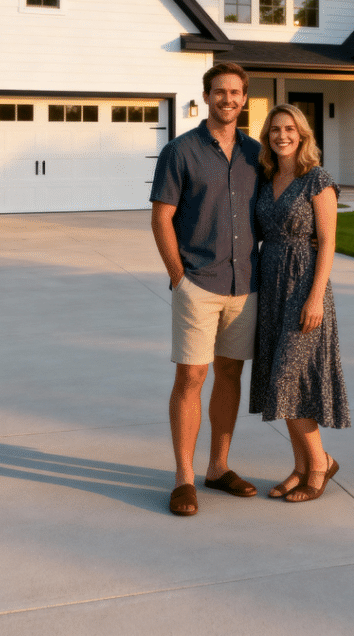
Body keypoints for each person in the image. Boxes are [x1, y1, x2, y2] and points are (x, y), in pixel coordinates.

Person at [150, 62, 263, 517]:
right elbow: (161, 217)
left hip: (244, 286)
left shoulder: (258, 154)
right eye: (220, 92)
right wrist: (179, 277)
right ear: (207, 95)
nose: (228, 99)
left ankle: (218, 468)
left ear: (244, 98)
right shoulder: (180, 152)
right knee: (190, 378)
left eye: (236, 93)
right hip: (198, 283)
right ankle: (184, 479)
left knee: (230, 374)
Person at [249, 103, 350, 502]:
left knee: (289, 378)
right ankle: (303, 465)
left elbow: (327, 243)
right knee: (281, 382)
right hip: (271, 286)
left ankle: (320, 466)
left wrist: (315, 299)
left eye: (289, 128)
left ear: (303, 134)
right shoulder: (267, 177)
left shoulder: (317, 180)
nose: (282, 136)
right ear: (267, 136)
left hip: (305, 285)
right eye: (275, 129)